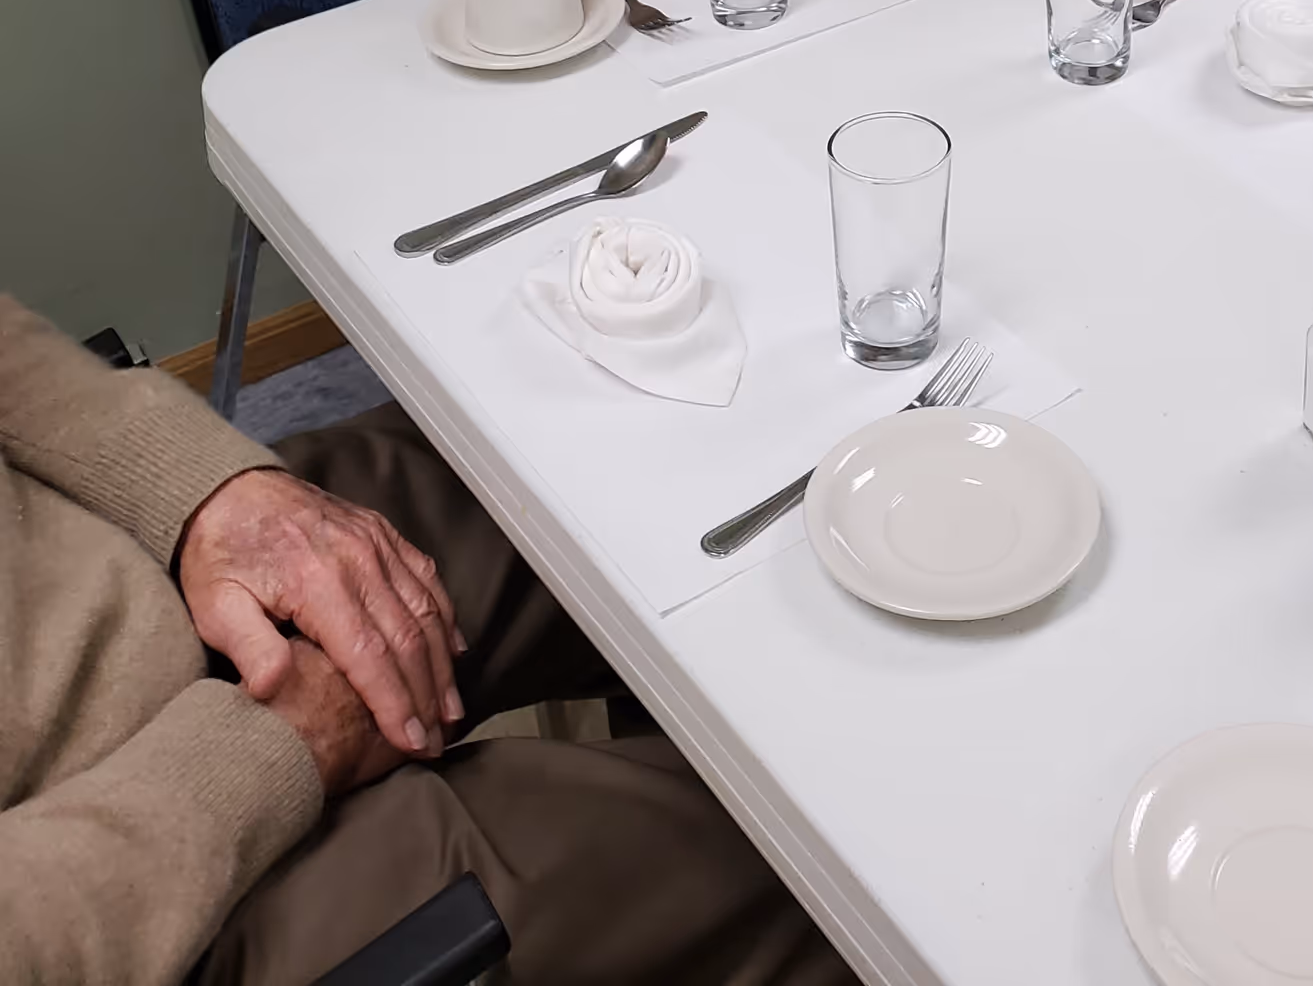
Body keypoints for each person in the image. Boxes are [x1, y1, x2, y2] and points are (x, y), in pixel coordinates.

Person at [0, 294, 851, 986]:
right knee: (820, 851)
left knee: (622, 467)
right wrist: (266, 751)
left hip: (116, 562)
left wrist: (198, 491)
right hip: (108, 904)